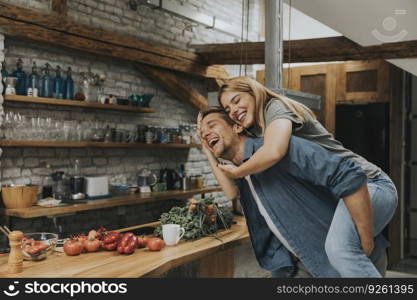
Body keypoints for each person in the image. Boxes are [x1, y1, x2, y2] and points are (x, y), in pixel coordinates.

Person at [198, 108, 397, 277]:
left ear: (237, 126)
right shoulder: (243, 171)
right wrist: (206, 150)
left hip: (348, 265)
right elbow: (231, 192)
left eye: (211, 125)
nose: (205, 133)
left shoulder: (276, 150)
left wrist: (366, 238)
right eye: (202, 133)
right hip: (306, 265)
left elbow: (348, 174)